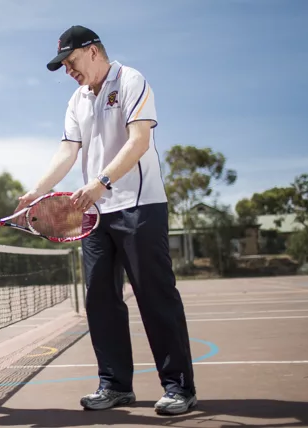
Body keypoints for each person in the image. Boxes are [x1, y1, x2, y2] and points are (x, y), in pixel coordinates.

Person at [16, 25, 197, 415]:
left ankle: (179, 386)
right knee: (99, 297)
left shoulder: (131, 80)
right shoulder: (76, 99)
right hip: (95, 213)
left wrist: (100, 182)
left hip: (139, 205)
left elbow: (139, 141)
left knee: (155, 294)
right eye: (63, 65)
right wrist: (38, 190)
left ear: (93, 50)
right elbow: (67, 151)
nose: (68, 70)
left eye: (71, 61)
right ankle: (115, 385)